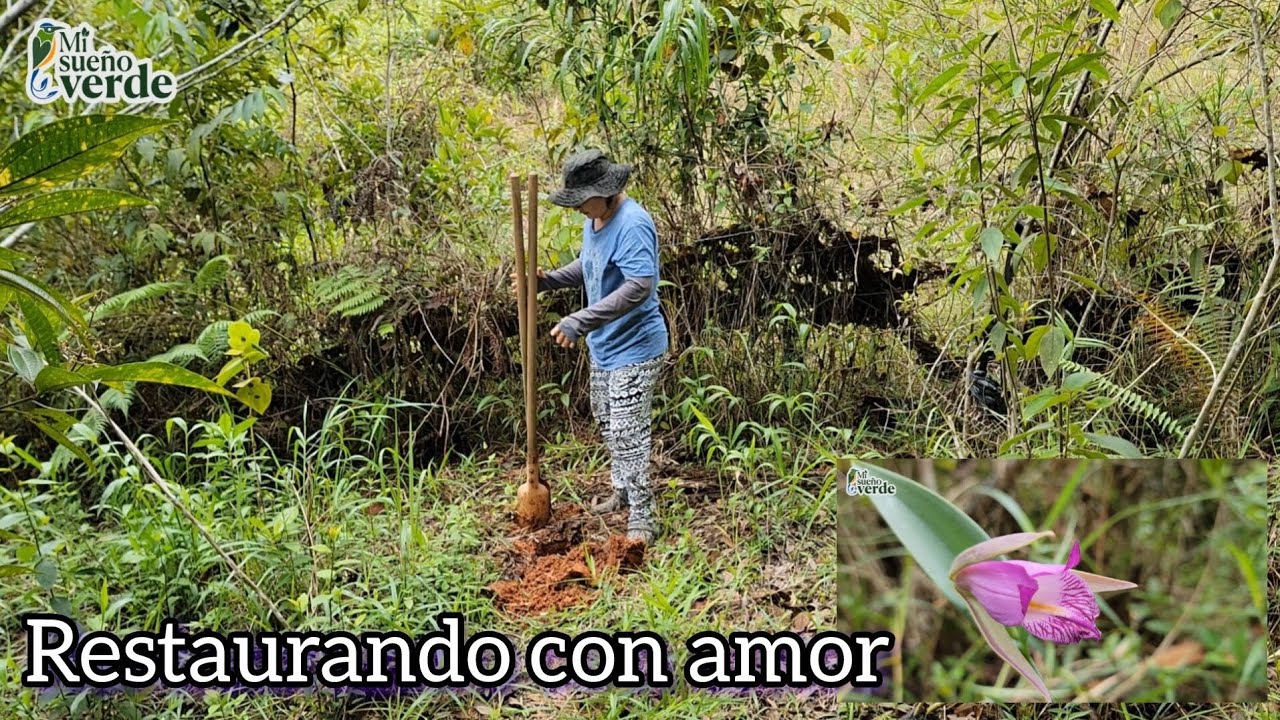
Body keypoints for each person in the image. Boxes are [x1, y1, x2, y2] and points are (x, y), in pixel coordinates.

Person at [512, 149, 669, 544]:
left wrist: (580, 320)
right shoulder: (596, 219)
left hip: (636, 347)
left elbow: (639, 286)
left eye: (582, 200)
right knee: (605, 417)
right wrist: (545, 282)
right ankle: (622, 489)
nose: (578, 209)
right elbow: (588, 265)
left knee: (628, 430)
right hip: (606, 345)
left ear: (607, 190)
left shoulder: (632, 223)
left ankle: (643, 515)